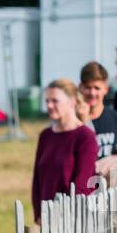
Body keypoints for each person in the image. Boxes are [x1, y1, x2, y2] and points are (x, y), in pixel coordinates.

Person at [31, 79, 98, 219]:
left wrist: (64, 216)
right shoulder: (46, 136)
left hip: (73, 218)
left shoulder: (85, 137)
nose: (49, 105)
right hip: (46, 216)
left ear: (72, 101)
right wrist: (38, 214)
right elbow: (37, 179)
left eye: (55, 101)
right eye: (47, 101)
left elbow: (82, 184)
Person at [79, 61, 117, 183]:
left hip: (110, 190)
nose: (92, 93)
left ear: (106, 89)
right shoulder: (74, 122)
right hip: (80, 190)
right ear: (80, 87)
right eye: (87, 87)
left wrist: (115, 160)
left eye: (97, 88)